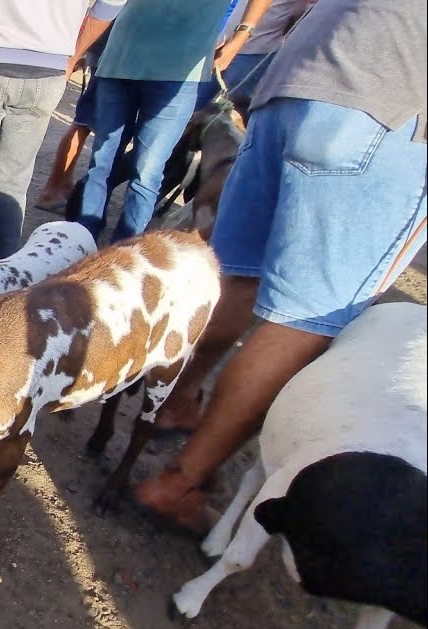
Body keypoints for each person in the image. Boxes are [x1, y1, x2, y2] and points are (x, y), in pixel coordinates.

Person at [132, 0, 427, 532]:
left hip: (298, 79)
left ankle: (170, 403)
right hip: (392, 107)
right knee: (306, 319)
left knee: (235, 272)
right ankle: (179, 482)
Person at [74, 0, 273, 244]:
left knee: (147, 172)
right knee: (102, 162)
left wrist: (242, 35)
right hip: (120, 58)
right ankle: (81, 242)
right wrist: (76, 52)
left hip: (180, 74)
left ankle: (124, 252)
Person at [0, 0, 121, 262]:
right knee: (13, 182)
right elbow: (110, 5)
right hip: (47, 69)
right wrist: (73, 55)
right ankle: (1, 273)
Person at [34, 29, 112, 214]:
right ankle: (52, 190)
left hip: (107, 53)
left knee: (84, 123)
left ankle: (64, 183)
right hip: (111, 57)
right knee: (84, 123)